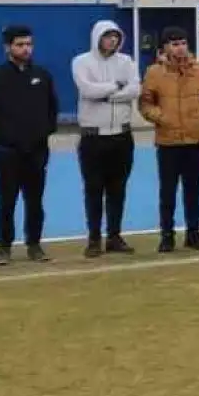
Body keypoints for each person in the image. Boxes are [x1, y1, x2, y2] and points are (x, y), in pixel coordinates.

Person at [0, 24, 59, 266]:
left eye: (28, 44)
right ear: (8, 47)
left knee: (35, 201)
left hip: (36, 151)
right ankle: (3, 247)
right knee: (6, 201)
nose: (26, 49)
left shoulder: (42, 75)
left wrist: (42, 134)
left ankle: (34, 244)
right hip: (7, 152)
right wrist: (6, 137)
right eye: (20, 45)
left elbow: (52, 109)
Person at [138, 26, 199, 253]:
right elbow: (145, 103)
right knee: (168, 191)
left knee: (193, 190)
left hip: (195, 138)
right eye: (174, 44)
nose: (180, 48)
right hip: (168, 140)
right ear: (165, 47)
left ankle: (193, 233)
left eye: (183, 43)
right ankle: (167, 235)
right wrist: (161, 117)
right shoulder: (154, 72)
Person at [71, 20, 139, 257]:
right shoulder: (81, 62)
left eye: (116, 37)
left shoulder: (126, 61)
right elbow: (87, 90)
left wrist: (108, 95)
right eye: (108, 36)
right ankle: (93, 238)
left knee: (117, 188)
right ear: (97, 37)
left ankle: (114, 235)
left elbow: (134, 90)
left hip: (121, 135)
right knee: (93, 189)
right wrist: (115, 86)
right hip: (93, 137)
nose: (113, 41)